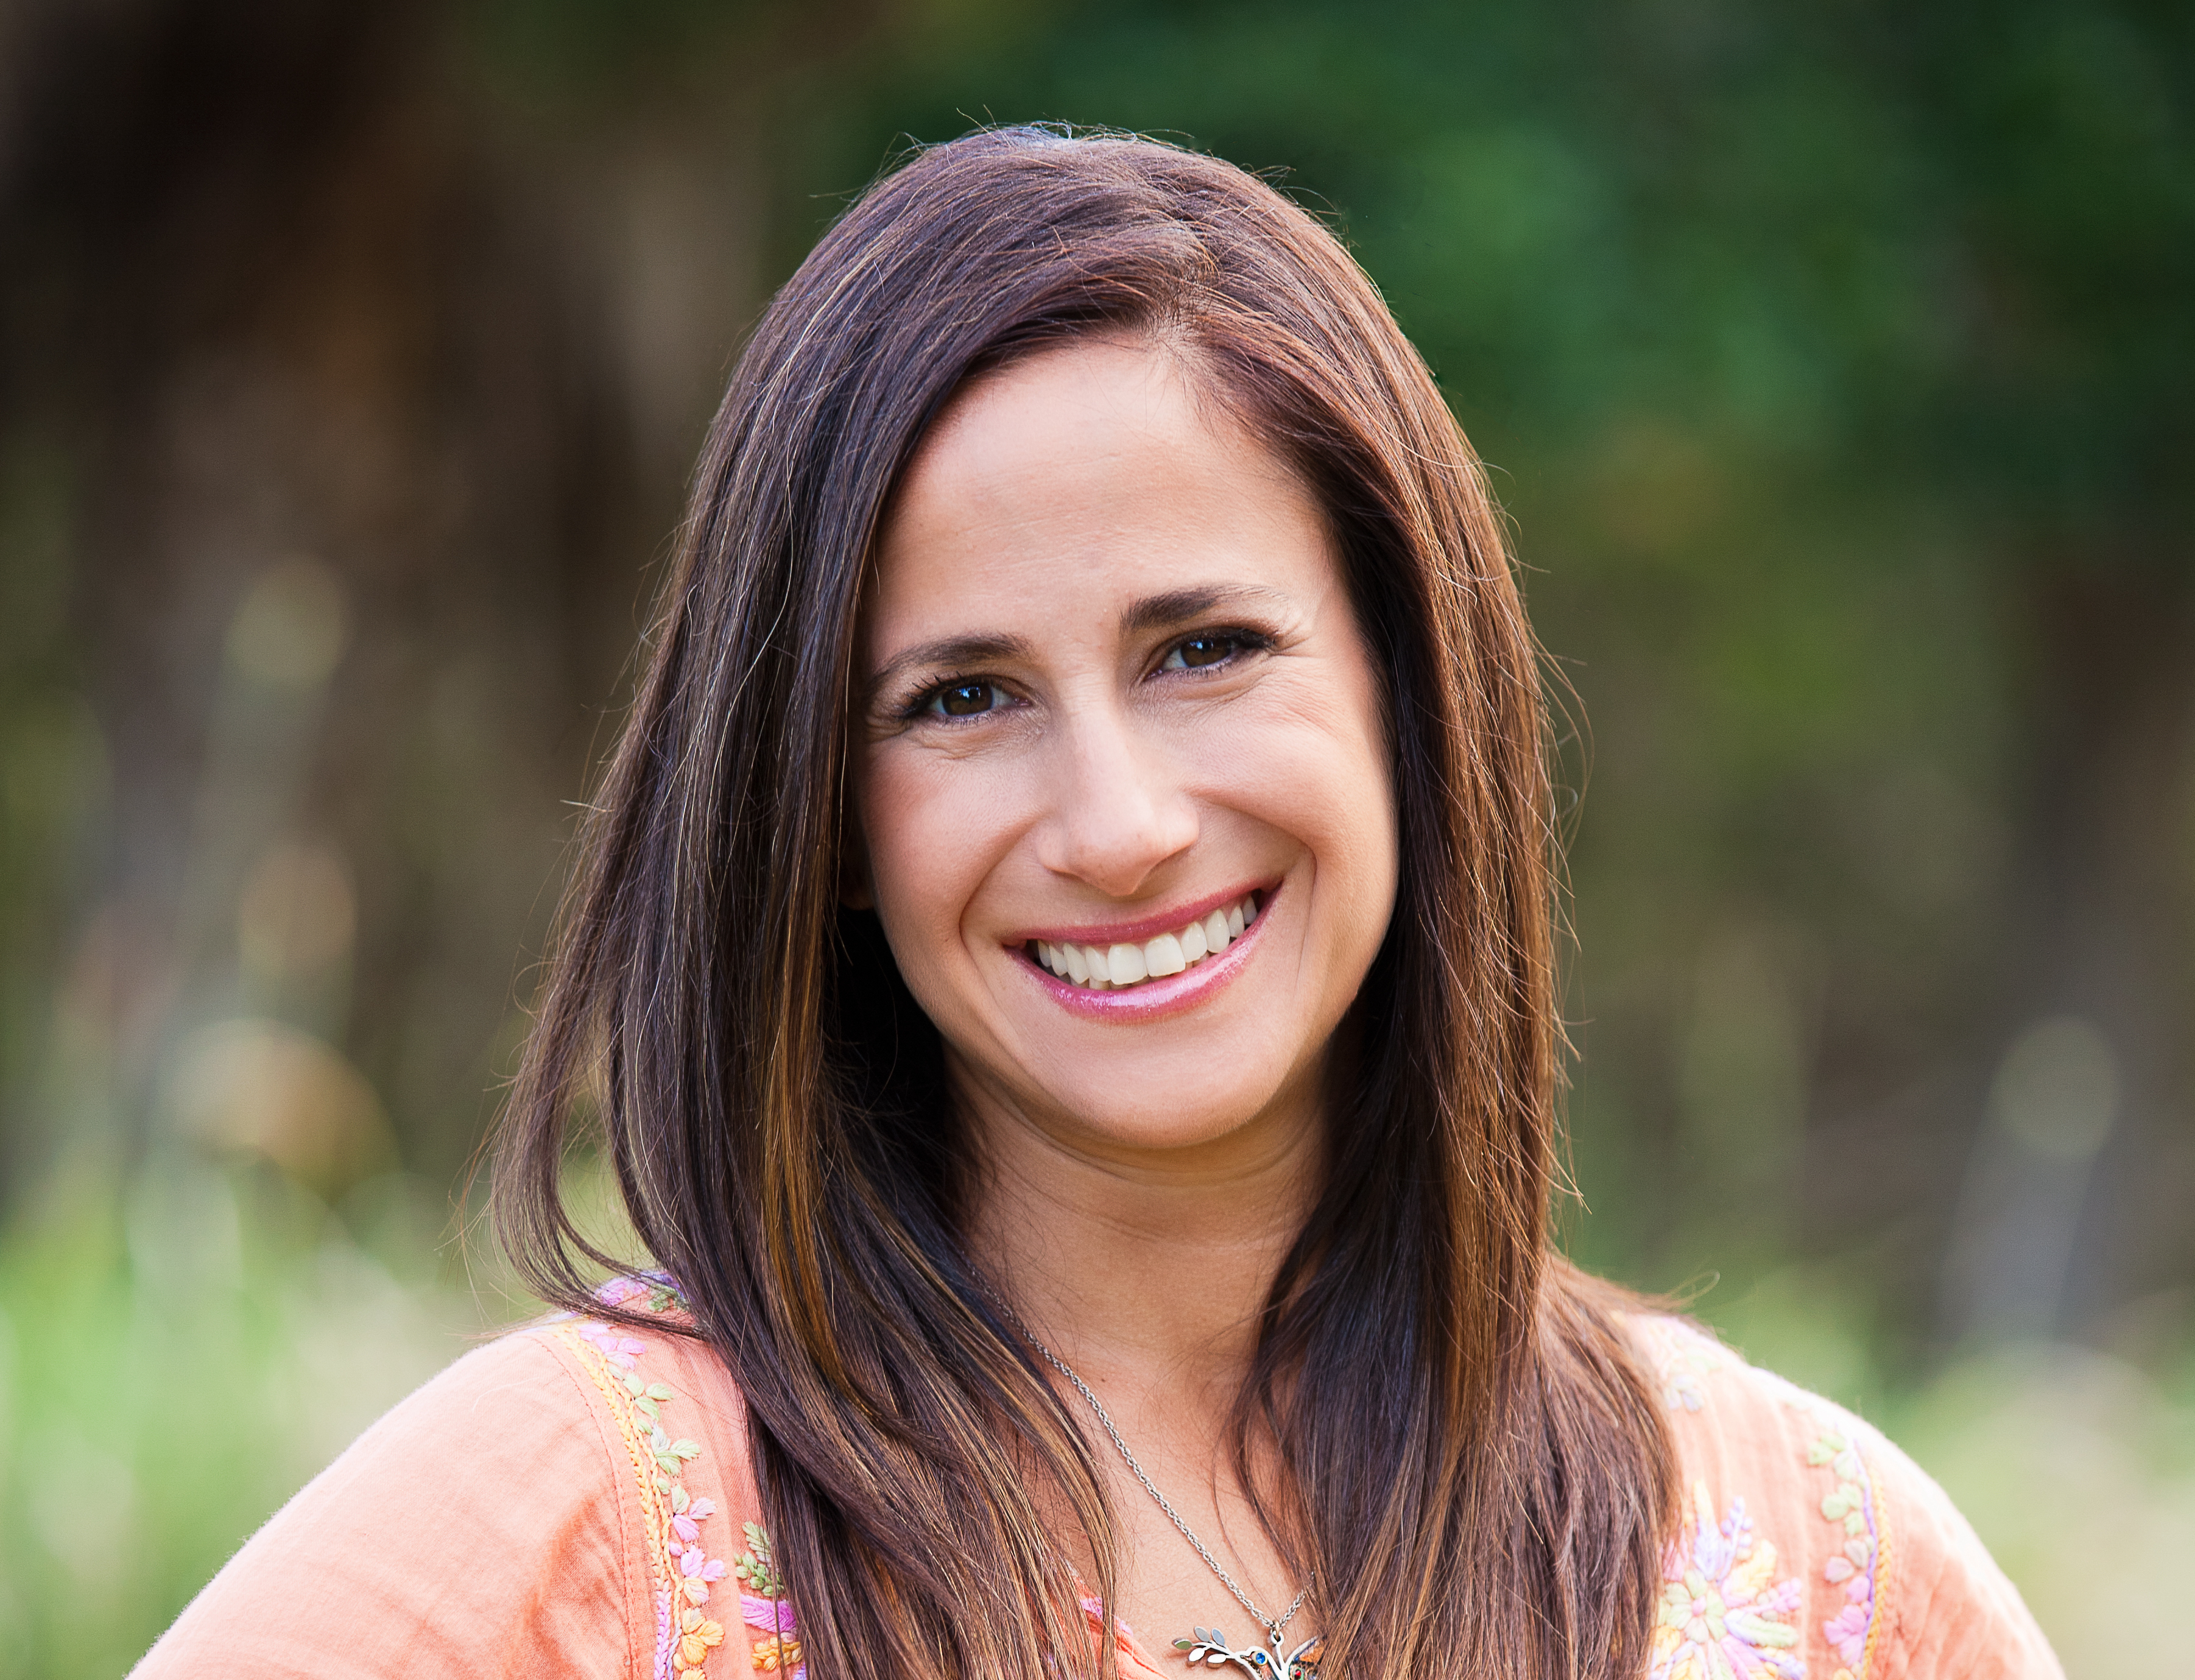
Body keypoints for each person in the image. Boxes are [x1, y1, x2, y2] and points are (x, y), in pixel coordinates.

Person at [133, 127, 2059, 1680]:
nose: (1120, 824)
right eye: (960, 700)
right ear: (818, 827)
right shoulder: (586, 1523)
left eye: (1205, 648)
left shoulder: (1807, 1567)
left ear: (1406, 691)